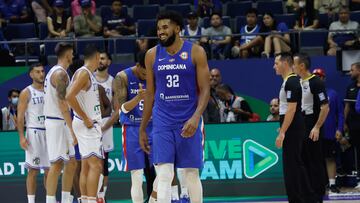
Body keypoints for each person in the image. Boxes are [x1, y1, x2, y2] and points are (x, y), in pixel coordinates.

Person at [139, 10, 210, 203]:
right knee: (163, 175)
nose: (160, 32)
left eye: (165, 27)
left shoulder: (196, 52)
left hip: (188, 120)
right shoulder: (152, 55)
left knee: (190, 174)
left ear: (177, 28)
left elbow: (205, 90)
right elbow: (150, 94)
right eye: (158, 28)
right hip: (162, 121)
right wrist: (143, 128)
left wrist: (196, 117)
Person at [273, 53, 316, 203]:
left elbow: (291, 109)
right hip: (292, 124)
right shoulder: (288, 82)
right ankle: (308, 197)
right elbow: (286, 110)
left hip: (293, 126)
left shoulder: (291, 82)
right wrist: (283, 127)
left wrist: (283, 132)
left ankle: (297, 198)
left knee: (292, 165)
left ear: (285, 63)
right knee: (296, 163)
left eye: (276, 63)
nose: (274, 66)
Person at [113, 50, 152, 203]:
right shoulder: (122, 77)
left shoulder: (154, 73)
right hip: (132, 127)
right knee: (136, 175)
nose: (146, 77)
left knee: (163, 170)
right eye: (144, 74)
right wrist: (138, 98)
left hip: (153, 126)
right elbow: (121, 108)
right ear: (137, 66)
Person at [66, 44, 103, 203]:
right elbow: (69, 96)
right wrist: (86, 118)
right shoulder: (84, 73)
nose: (100, 61)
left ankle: (86, 200)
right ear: (96, 57)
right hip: (87, 124)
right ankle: (91, 200)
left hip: (84, 123)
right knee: (96, 166)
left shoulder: (87, 73)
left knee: (87, 166)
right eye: (100, 58)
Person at [293, 53, 329, 202]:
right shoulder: (296, 83)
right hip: (300, 127)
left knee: (315, 161)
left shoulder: (316, 83)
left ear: (302, 66)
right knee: (303, 161)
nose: (292, 67)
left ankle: (318, 194)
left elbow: (325, 107)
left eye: (294, 64)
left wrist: (317, 127)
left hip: (312, 126)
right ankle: (306, 193)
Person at [44, 42, 77, 203]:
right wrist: (72, 128)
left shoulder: (58, 72)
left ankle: (66, 200)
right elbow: (63, 103)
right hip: (57, 122)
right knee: (56, 164)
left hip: (61, 121)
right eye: (72, 53)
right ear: (67, 54)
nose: (73, 56)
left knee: (71, 162)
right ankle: (50, 201)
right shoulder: (60, 74)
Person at [17, 63, 49, 203]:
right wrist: (21, 137)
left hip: (50, 132)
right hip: (34, 133)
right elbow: (20, 117)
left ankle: (51, 199)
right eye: (37, 72)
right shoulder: (26, 92)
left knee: (50, 170)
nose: (41, 74)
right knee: (33, 171)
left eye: (42, 71)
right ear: (31, 74)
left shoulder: (50, 90)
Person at [313, 68, 343, 193]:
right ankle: (318, 184)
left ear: (323, 78)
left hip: (329, 132)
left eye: (319, 76)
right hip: (314, 133)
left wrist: (339, 129)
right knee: (314, 159)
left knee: (330, 158)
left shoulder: (332, 94)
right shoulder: (308, 95)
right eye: (315, 77)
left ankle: (332, 184)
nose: (317, 79)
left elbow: (340, 113)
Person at [94, 51, 118, 201]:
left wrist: (105, 126)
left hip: (106, 123)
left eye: (103, 58)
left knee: (104, 163)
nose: (100, 61)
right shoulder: (89, 77)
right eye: (98, 59)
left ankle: (102, 196)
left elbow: (117, 109)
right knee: (91, 161)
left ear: (109, 62)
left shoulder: (113, 81)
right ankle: (92, 194)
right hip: (90, 123)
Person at [344, 62, 360, 176]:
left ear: (358, 71)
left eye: (352, 70)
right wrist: (344, 122)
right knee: (356, 149)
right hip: (354, 125)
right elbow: (347, 106)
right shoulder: (350, 87)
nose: (350, 72)